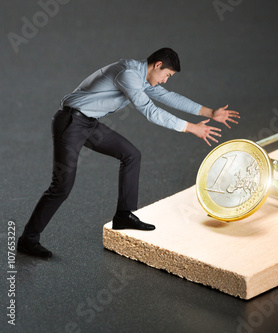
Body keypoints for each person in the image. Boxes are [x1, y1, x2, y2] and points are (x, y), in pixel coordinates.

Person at [17, 47, 240, 258]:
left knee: (131, 155)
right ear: (157, 65)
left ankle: (123, 215)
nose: (165, 80)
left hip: (89, 124)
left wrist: (210, 112)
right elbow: (150, 111)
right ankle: (28, 239)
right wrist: (191, 127)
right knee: (61, 187)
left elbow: (168, 97)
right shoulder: (129, 75)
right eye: (167, 75)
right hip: (71, 123)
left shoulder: (143, 76)